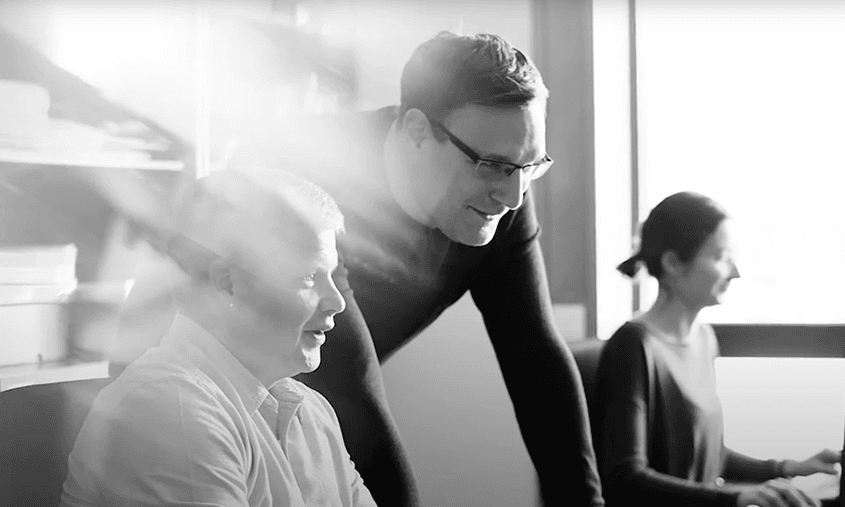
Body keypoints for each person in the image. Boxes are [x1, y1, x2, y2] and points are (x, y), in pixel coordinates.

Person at [231, 31, 604, 506]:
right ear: (416, 130)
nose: (512, 198)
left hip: (304, 408)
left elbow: (536, 361)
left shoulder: (507, 194)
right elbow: (351, 383)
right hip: (204, 408)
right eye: (492, 166)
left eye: (530, 167)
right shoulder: (314, 177)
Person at [60, 168, 377, 507]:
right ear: (227, 283)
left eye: (331, 275)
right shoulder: (171, 411)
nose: (338, 302)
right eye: (310, 277)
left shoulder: (313, 414)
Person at [591, 191, 841, 507]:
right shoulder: (632, 347)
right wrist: (737, 496)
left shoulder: (704, 339)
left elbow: (707, 455)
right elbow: (626, 479)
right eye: (721, 256)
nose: (735, 272)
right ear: (672, 263)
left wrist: (787, 467)